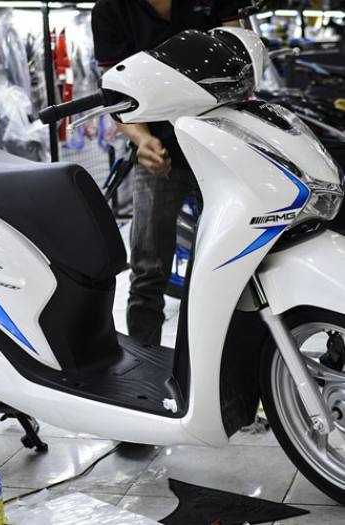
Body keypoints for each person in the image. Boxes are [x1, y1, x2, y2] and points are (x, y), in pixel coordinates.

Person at [92, 0, 245, 346]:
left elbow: (241, 57)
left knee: (236, 262)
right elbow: (116, 92)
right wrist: (142, 139)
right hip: (160, 152)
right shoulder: (111, 10)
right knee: (149, 271)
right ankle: (145, 361)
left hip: (221, 148)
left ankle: (226, 361)